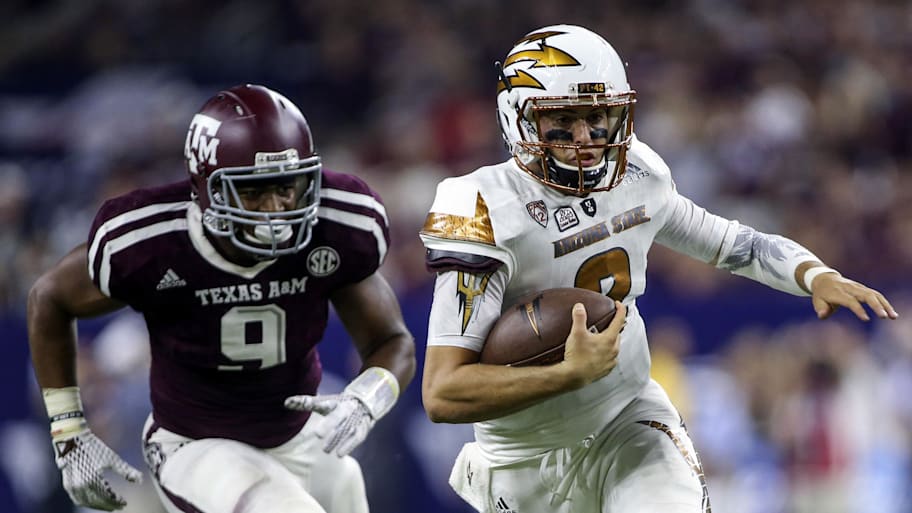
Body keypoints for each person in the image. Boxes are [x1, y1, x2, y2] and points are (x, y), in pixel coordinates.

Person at [418, 25, 898, 513]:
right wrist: (567, 374)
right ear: (518, 120)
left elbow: (731, 243)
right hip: (522, 462)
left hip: (628, 422)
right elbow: (442, 393)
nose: (585, 138)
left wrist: (814, 274)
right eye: (563, 120)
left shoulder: (637, 175)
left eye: (598, 117)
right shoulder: (480, 207)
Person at [27, 84, 416, 513]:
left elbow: (391, 341)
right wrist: (68, 432)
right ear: (206, 188)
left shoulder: (337, 224)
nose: (275, 210)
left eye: (285, 187)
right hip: (195, 444)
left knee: (346, 492)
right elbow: (49, 297)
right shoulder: (150, 241)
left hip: (299, 437)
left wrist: (366, 398)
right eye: (253, 191)